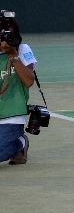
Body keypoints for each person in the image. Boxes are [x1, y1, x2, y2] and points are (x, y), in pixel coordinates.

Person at [0, 11, 35, 165]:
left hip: (11, 115)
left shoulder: (22, 49)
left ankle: (19, 143)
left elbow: (28, 81)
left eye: (10, 31)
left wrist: (13, 54)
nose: (7, 35)